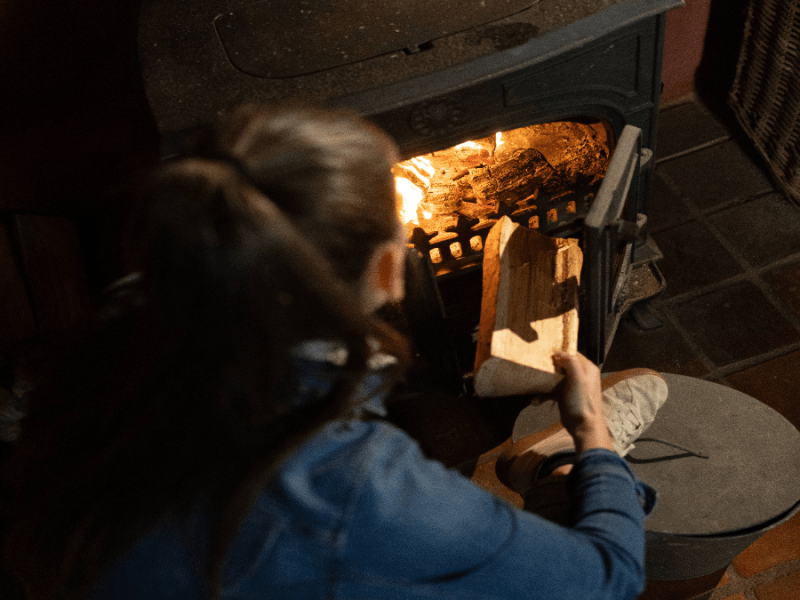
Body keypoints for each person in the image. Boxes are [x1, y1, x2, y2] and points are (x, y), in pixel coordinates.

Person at [0, 104, 664, 600]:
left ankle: (538, 476)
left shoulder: (116, 328)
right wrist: (594, 433)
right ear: (386, 271)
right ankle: (568, 468)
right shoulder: (351, 485)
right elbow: (607, 579)